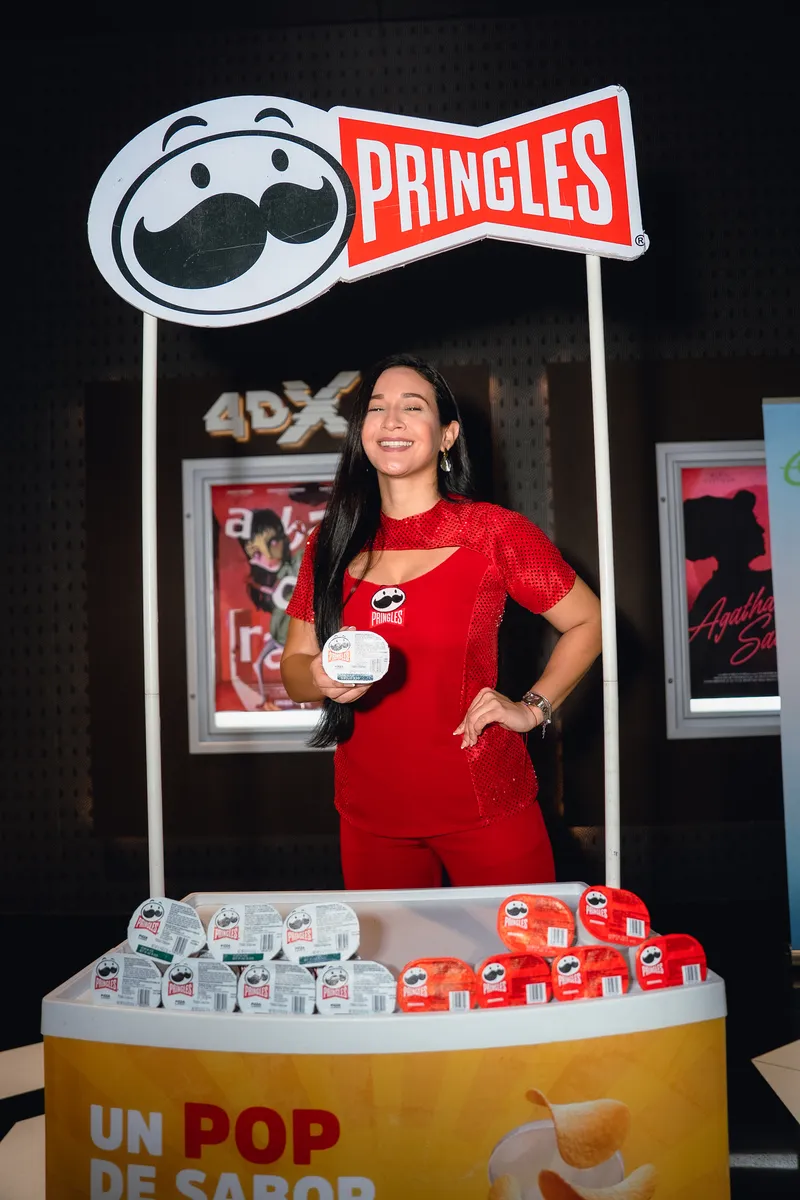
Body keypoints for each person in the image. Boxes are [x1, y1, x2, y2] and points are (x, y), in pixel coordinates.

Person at [281, 353, 601, 889]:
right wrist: (316, 677)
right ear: (361, 433)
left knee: (517, 945)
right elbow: (294, 667)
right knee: (389, 951)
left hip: (485, 804)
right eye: (376, 408)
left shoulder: (494, 532)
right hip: (371, 815)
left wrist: (533, 707)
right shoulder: (329, 541)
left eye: (413, 407)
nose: (392, 420)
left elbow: (590, 622)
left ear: (447, 434)